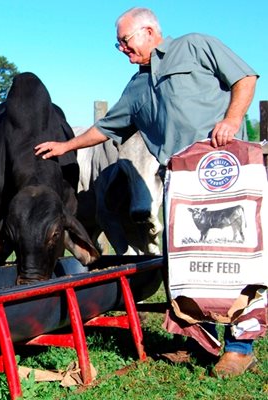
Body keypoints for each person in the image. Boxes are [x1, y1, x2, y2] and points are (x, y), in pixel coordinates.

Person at [34, 7, 260, 378]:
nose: (121, 49)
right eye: (118, 43)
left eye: (125, 40)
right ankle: (198, 340)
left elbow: (245, 76)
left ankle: (239, 346)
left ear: (149, 30)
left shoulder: (196, 46)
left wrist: (233, 119)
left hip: (225, 167)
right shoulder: (137, 87)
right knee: (184, 262)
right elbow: (106, 128)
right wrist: (66, 145)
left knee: (235, 257)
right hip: (179, 179)